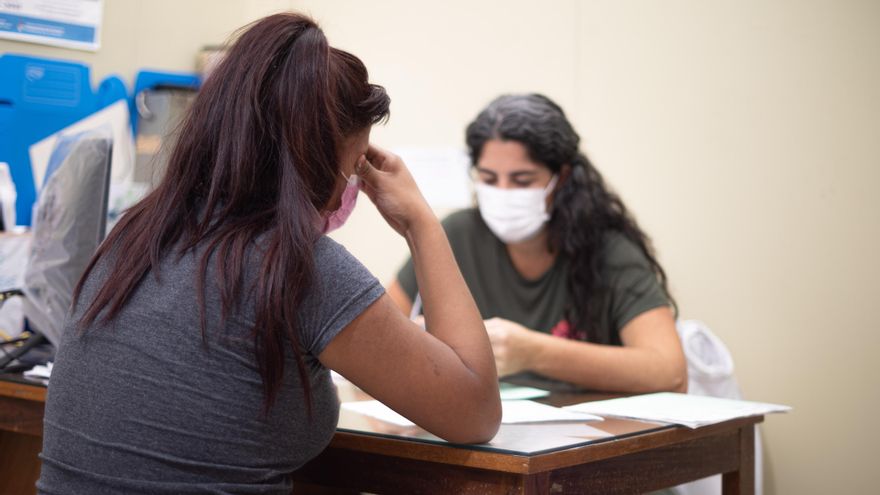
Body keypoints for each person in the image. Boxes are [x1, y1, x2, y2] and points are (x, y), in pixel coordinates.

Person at [37, 13, 500, 494]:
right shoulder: (300, 266)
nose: (351, 190)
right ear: (318, 162)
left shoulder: (135, 237)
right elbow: (475, 412)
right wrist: (420, 223)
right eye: (353, 167)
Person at [389, 94, 687, 394]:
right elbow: (383, 331)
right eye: (489, 179)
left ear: (562, 179)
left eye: (522, 181)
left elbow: (669, 372)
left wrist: (533, 353)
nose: (503, 193)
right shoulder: (456, 234)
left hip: (590, 434)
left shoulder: (608, 251)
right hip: (477, 431)